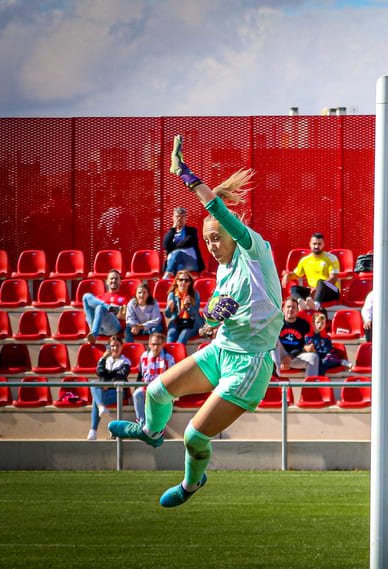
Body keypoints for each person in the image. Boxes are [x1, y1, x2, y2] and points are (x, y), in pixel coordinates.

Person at [109, 135, 283, 508]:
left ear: (233, 234)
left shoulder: (255, 252)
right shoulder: (223, 270)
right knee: (156, 391)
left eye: (216, 238)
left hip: (250, 363)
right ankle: (151, 431)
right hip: (221, 350)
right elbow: (213, 312)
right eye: (206, 241)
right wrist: (210, 314)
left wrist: (185, 175)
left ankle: (191, 483)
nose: (212, 246)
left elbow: (218, 210)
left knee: (193, 436)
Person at [282, 233, 341, 311]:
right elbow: (296, 274)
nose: (316, 246)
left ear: (323, 244)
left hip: (332, 290)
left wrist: (317, 288)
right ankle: (301, 302)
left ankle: (315, 305)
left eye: (319, 244)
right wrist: (287, 275)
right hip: (314, 291)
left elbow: (333, 278)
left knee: (321, 282)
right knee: (294, 288)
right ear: (310, 244)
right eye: (314, 244)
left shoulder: (331, 258)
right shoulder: (305, 260)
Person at [89, 335, 130, 440]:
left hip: (119, 391)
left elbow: (121, 375)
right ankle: (101, 407)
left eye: (117, 346)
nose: (115, 348)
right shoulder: (105, 360)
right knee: (93, 383)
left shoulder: (125, 361)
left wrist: (107, 383)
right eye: (112, 346)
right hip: (105, 390)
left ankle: (93, 430)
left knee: (95, 400)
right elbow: (100, 372)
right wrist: (103, 358)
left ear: (121, 346)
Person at [136, 333, 175, 425]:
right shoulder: (144, 356)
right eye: (153, 344)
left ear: (163, 344)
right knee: (137, 394)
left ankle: (158, 427)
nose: (155, 347)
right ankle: (142, 424)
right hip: (146, 386)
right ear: (149, 344)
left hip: (162, 388)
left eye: (158, 344)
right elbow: (140, 374)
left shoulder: (168, 358)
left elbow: (173, 377)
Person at [274, 297, 319, 377]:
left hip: (296, 357)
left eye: (293, 307)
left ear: (298, 310)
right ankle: (276, 372)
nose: (290, 309)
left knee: (313, 357)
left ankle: (310, 384)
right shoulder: (276, 323)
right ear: (283, 309)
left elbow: (305, 346)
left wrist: (290, 356)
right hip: (279, 356)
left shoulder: (304, 325)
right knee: (274, 340)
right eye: (288, 307)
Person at [81, 268, 128, 343]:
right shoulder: (99, 298)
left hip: (113, 328)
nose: (114, 280)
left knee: (100, 307)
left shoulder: (124, 299)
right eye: (111, 278)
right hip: (97, 326)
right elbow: (89, 312)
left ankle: (94, 335)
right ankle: (109, 307)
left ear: (120, 282)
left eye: (116, 279)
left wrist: (118, 314)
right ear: (107, 281)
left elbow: (126, 316)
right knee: (86, 296)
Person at [162, 206, 205, 278]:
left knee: (178, 253)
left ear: (185, 218)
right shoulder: (170, 232)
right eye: (177, 217)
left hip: (191, 261)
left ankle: (166, 277)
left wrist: (172, 250)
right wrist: (173, 229)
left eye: (182, 217)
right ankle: (180, 283)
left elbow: (187, 242)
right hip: (176, 263)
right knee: (179, 266)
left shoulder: (192, 231)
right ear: (173, 218)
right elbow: (165, 245)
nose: (179, 219)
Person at [303, 311, 352, 375]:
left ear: (325, 325)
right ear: (313, 323)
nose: (320, 325)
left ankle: (340, 361)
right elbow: (304, 348)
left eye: (322, 323)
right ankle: (318, 379)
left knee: (325, 361)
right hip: (316, 358)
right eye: (317, 322)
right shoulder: (308, 337)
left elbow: (326, 351)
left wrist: (315, 352)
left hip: (328, 356)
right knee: (316, 363)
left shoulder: (327, 337)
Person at [164, 270, 203, 345]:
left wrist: (188, 306)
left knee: (184, 333)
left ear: (190, 282)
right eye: (181, 280)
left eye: (186, 280)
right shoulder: (172, 295)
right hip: (177, 321)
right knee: (171, 333)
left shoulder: (195, 294)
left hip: (191, 323)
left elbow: (195, 314)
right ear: (177, 281)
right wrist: (169, 308)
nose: (183, 282)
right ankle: (169, 351)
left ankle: (178, 351)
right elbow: (168, 315)